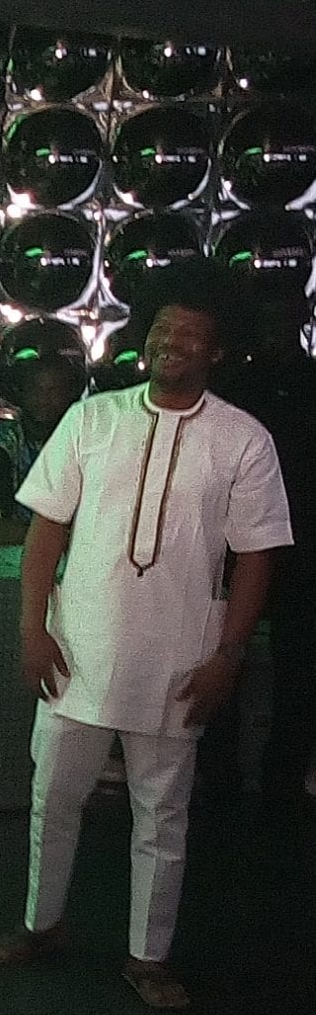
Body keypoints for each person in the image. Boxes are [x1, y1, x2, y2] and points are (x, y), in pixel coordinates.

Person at [0, 263, 291, 1009]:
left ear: (218, 350)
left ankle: (148, 957)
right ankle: (41, 924)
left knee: (162, 812)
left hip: (179, 656)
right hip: (78, 649)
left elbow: (257, 557)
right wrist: (32, 629)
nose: (169, 343)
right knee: (52, 796)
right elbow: (44, 534)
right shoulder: (92, 420)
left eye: (188, 333)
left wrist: (229, 655)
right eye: (160, 329)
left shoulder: (243, 440)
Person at [217, 279, 316, 808]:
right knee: (236, 654)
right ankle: (254, 779)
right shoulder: (238, 385)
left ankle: (256, 779)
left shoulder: (238, 385)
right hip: (257, 539)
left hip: (287, 542)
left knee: (286, 662)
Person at [0, 345, 86, 554]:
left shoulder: (84, 442)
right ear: (22, 392)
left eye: (54, 390)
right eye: (36, 389)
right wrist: (66, 539)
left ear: (68, 394)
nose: (44, 398)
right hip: (14, 559)